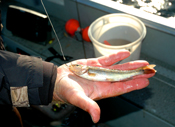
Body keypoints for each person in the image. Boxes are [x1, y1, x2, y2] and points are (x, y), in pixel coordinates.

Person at [0, 10, 155, 125]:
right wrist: (52, 83)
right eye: (75, 66)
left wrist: (51, 83)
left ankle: (139, 72)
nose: (74, 67)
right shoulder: (84, 71)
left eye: (76, 66)